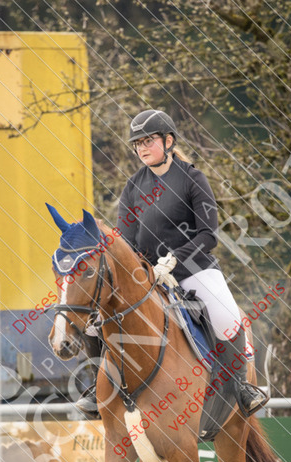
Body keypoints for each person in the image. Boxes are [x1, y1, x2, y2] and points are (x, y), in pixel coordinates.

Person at [77, 108, 268, 418]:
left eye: (148, 141)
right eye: (137, 144)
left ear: (168, 141)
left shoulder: (193, 178)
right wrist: (140, 269)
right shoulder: (133, 187)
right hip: (148, 275)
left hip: (194, 269)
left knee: (226, 317)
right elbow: (126, 241)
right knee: (96, 320)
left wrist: (174, 260)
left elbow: (208, 235)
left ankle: (240, 388)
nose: (142, 148)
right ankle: (98, 388)